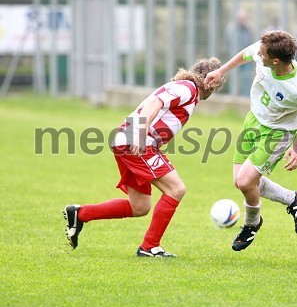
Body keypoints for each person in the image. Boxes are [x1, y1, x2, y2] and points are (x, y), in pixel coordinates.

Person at [63, 58, 226, 257]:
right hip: (136, 142)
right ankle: (150, 247)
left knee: (139, 206)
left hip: (127, 141)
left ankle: (80, 214)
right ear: (210, 81)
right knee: (176, 189)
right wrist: (140, 134)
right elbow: (153, 104)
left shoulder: (187, 91)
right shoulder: (187, 88)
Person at [204, 30, 297, 251]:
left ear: (275, 60)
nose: (258, 54)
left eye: (262, 53)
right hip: (253, 120)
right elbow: (245, 54)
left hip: (277, 133)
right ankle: (293, 199)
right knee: (241, 181)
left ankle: (252, 224)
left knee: (245, 182)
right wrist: (221, 71)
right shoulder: (264, 51)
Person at [225, 10, 254, 96]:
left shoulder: (247, 29)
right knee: (235, 77)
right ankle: (234, 95)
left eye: (244, 19)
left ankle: (245, 96)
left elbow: (250, 41)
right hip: (235, 56)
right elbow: (229, 42)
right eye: (241, 19)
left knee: (246, 77)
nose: (242, 20)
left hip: (246, 57)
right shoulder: (231, 29)